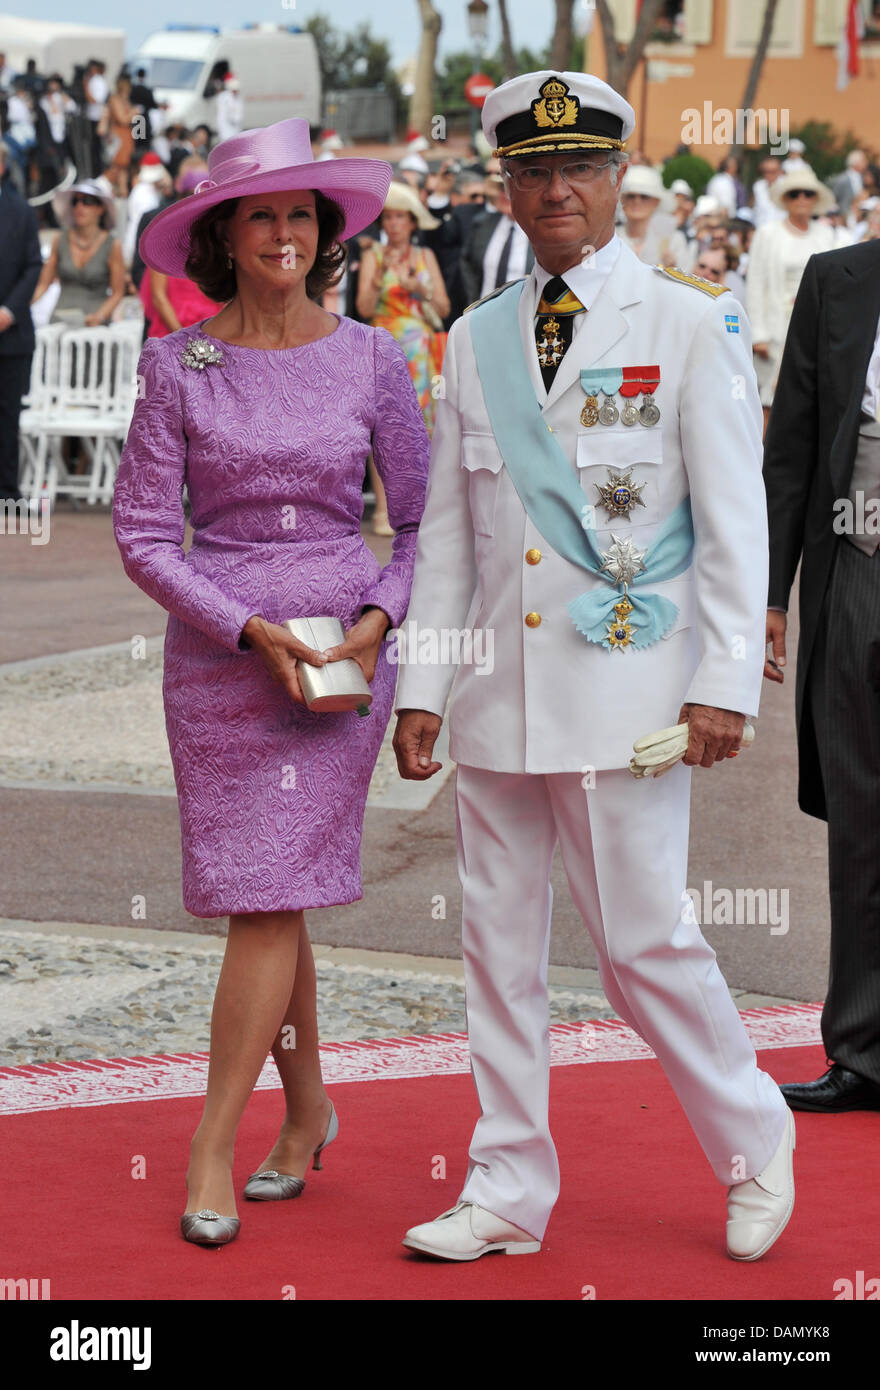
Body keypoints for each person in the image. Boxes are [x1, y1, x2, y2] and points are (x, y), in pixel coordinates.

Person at [392, 69, 794, 1264]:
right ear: (505, 187)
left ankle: (751, 1139)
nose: (554, 188)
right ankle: (507, 1187)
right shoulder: (473, 340)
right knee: (497, 947)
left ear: (617, 180)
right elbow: (451, 539)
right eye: (530, 170)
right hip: (496, 702)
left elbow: (735, 517)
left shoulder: (687, 318)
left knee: (642, 945)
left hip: (629, 699)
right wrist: (424, 684)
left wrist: (722, 678)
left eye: (577, 168)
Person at [112, 117, 429, 1248]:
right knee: (268, 893)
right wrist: (244, 625)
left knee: (267, 891)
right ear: (225, 236)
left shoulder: (374, 358)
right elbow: (145, 534)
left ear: (323, 232)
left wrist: (377, 623)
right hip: (224, 660)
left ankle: (211, 1141)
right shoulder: (175, 364)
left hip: (337, 666)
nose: (287, 232)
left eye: (303, 214)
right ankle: (306, 1110)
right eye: (264, 215)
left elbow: (423, 525)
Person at [763, 236, 880, 1115]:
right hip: (857, 568)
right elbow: (792, 448)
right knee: (861, 818)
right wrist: (769, 595)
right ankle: (864, 1052)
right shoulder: (837, 278)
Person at [356, 180, 450, 435]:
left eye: (400, 217)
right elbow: (363, 309)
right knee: (385, 424)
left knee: (422, 423)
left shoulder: (424, 256)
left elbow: (443, 309)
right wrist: (380, 274)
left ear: (412, 222)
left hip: (420, 353)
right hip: (383, 350)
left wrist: (420, 290)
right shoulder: (372, 255)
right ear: (382, 224)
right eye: (388, 218)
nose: (394, 223)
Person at [746, 168, 835, 422]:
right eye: (795, 194)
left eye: (808, 194)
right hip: (777, 327)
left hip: (815, 327)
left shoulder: (826, 235)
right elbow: (755, 283)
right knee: (768, 404)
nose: (802, 199)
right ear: (786, 199)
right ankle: (762, 461)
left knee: (808, 402)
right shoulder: (768, 234)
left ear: (816, 199)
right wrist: (758, 333)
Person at [0, 140, 43, 502]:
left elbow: (33, 265)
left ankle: (6, 493)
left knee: (6, 416)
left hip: (10, 335)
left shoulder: (21, 211)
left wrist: (8, 311)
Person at [31, 178, 125, 326]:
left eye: (87, 201)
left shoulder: (112, 245)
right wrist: (21, 305)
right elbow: (43, 284)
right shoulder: (60, 240)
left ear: (100, 209)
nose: (79, 207)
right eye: (75, 202)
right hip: (61, 322)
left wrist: (100, 316)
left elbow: (118, 292)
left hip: (95, 328)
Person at [458, 172, 534, 309]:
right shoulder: (482, 224)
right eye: (502, 189)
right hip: (482, 312)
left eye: (512, 191)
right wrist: (473, 302)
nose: (505, 195)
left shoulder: (538, 230)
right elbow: (467, 264)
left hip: (523, 315)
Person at [617, 164, 688, 266]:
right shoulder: (610, 239)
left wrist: (673, 270)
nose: (637, 201)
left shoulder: (674, 241)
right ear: (622, 199)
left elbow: (687, 276)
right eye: (631, 196)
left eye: (644, 196)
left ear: (656, 202)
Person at [106, 73, 135, 196]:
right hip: (119, 137)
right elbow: (122, 119)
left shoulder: (125, 100)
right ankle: (112, 192)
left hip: (127, 135)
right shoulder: (115, 100)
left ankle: (123, 192)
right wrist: (133, 112)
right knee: (116, 167)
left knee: (124, 168)